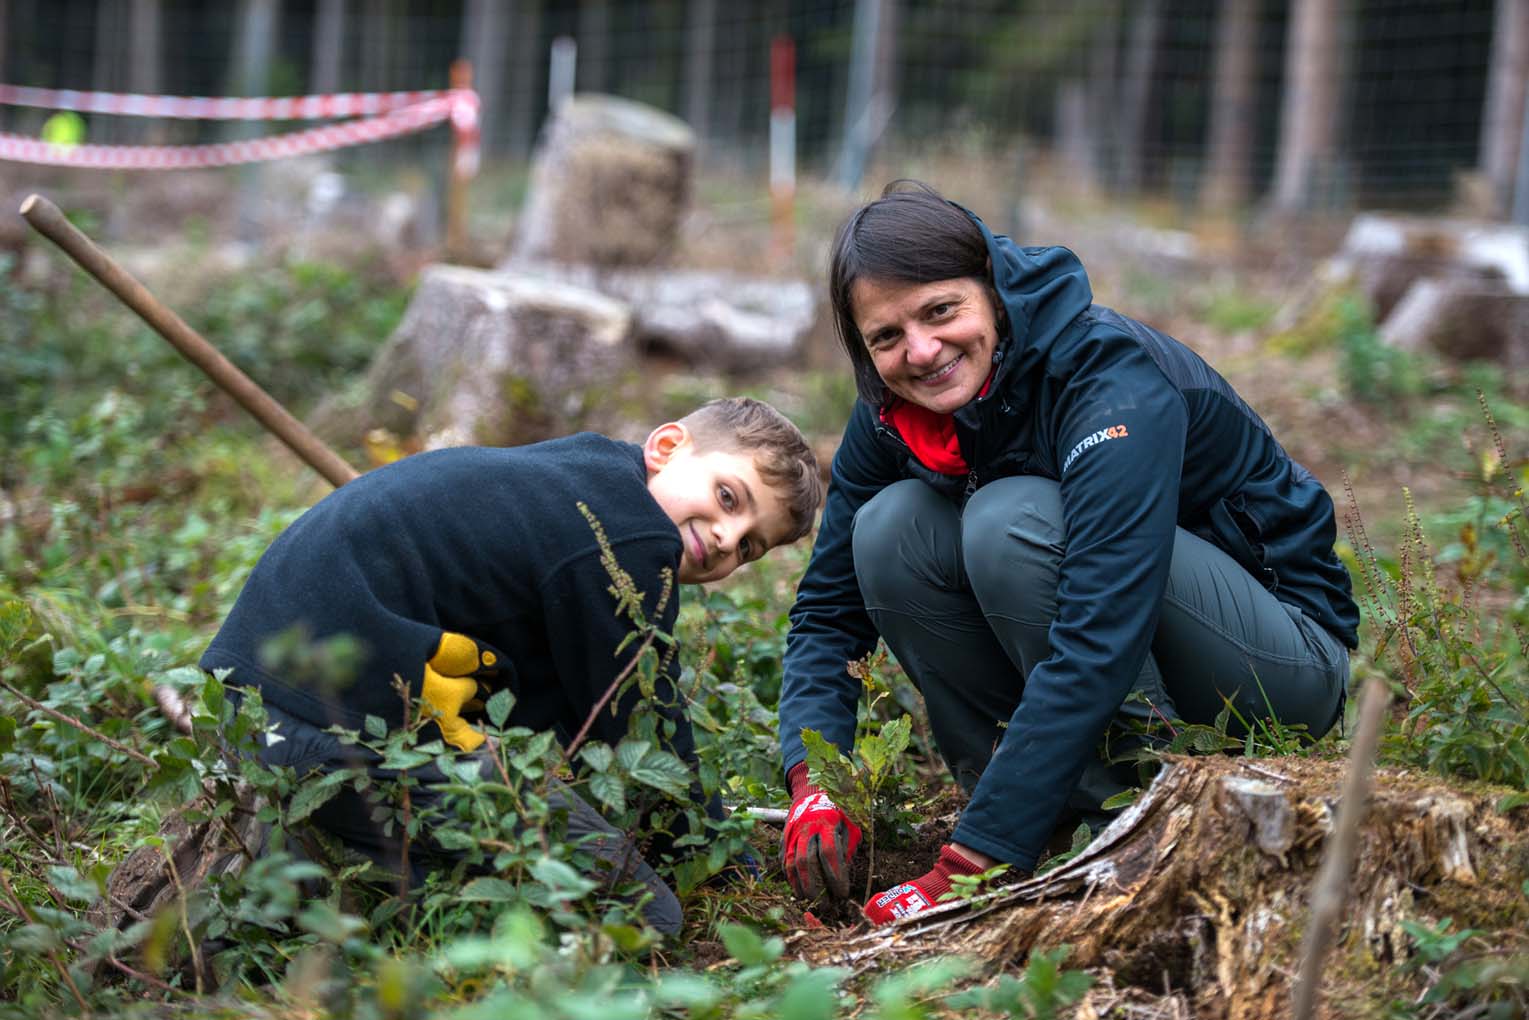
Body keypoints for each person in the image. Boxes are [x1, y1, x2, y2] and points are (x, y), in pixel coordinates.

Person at [777, 182, 1358, 924]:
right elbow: (827, 613)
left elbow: (1100, 625)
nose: (921, 351)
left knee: (1009, 520)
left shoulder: (1107, 379)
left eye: (940, 311)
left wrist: (974, 857)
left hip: (1276, 665)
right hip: (1126, 644)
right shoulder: (891, 418)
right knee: (889, 529)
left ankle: (1135, 811)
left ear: (992, 289)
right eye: (885, 337)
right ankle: (1050, 822)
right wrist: (813, 778)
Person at [202, 397, 823, 935]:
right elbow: (643, 730)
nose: (725, 538)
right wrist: (721, 865)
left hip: (250, 699)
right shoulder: (626, 541)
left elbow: (561, 702)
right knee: (647, 915)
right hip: (319, 724)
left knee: (496, 844)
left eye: (748, 545)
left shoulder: (584, 480)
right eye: (727, 497)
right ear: (666, 446)